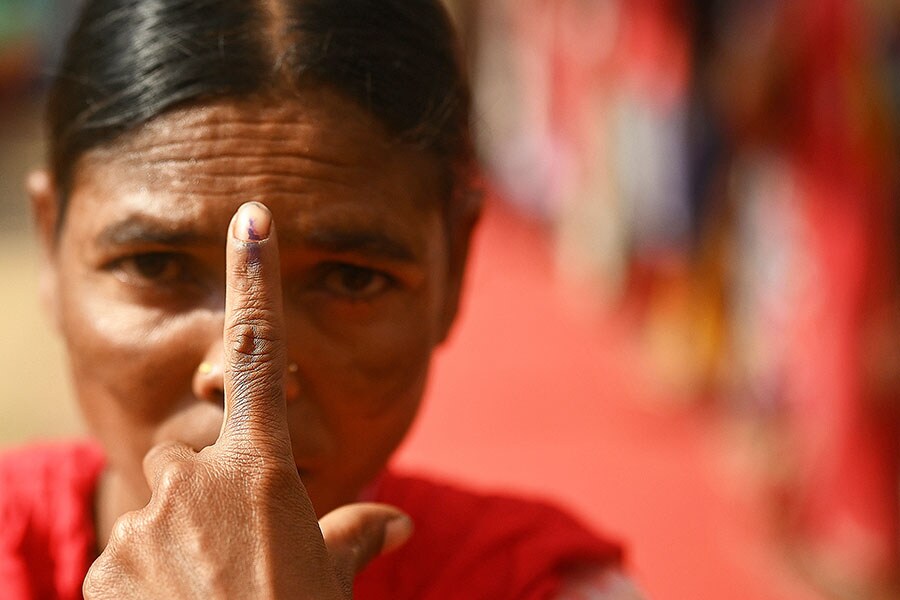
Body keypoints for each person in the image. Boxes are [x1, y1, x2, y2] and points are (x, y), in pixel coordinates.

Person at [0, 1, 644, 597]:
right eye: (155, 265)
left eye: (350, 279)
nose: (243, 375)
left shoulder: (542, 586)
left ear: (454, 269)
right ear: (51, 245)